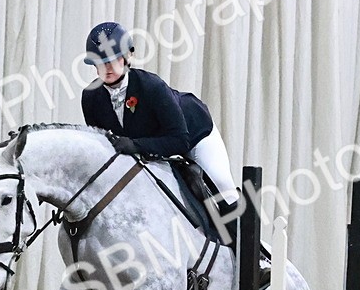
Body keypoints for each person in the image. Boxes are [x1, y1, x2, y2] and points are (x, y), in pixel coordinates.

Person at [80, 21, 242, 240]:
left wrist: (135, 145)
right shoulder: (90, 97)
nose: (107, 68)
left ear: (128, 57)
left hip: (193, 135)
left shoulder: (151, 86)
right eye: (100, 62)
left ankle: (251, 253)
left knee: (222, 185)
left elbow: (180, 141)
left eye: (112, 60)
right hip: (151, 145)